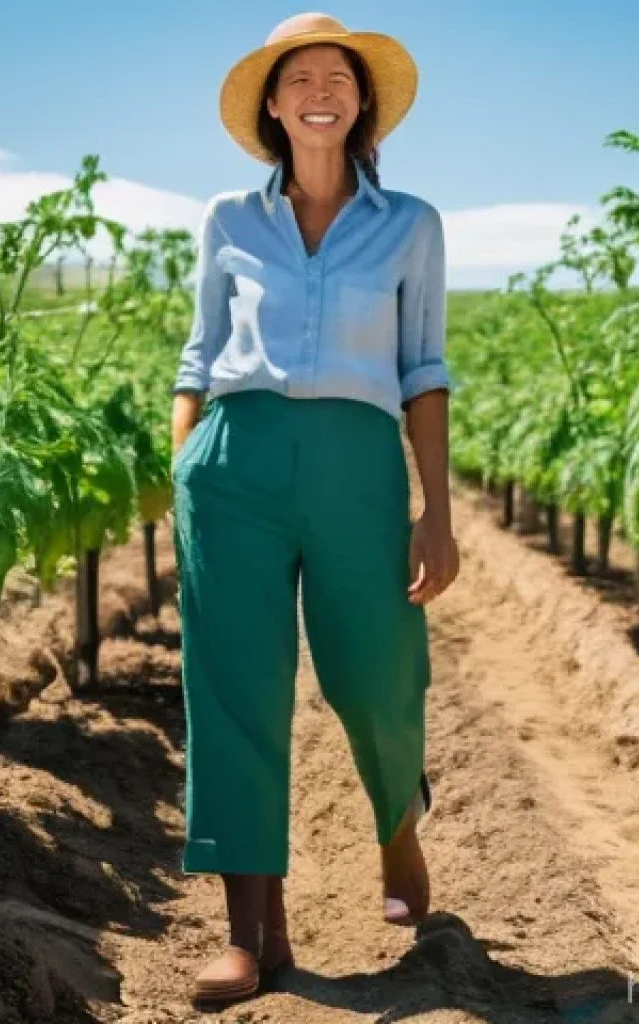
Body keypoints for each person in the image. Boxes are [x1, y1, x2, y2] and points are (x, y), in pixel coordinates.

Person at [170, 11, 460, 1005]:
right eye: (299, 77)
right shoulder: (227, 221)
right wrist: (185, 470)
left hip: (355, 461)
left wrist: (438, 511)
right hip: (233, 461)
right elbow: (198, 357)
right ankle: (254, 934)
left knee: (377, 670)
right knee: (235, 687)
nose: (320, 89)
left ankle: (395, 827)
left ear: (362, 100)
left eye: (339, 75)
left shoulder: (410, 224)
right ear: (272, 103)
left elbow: (423, 369)